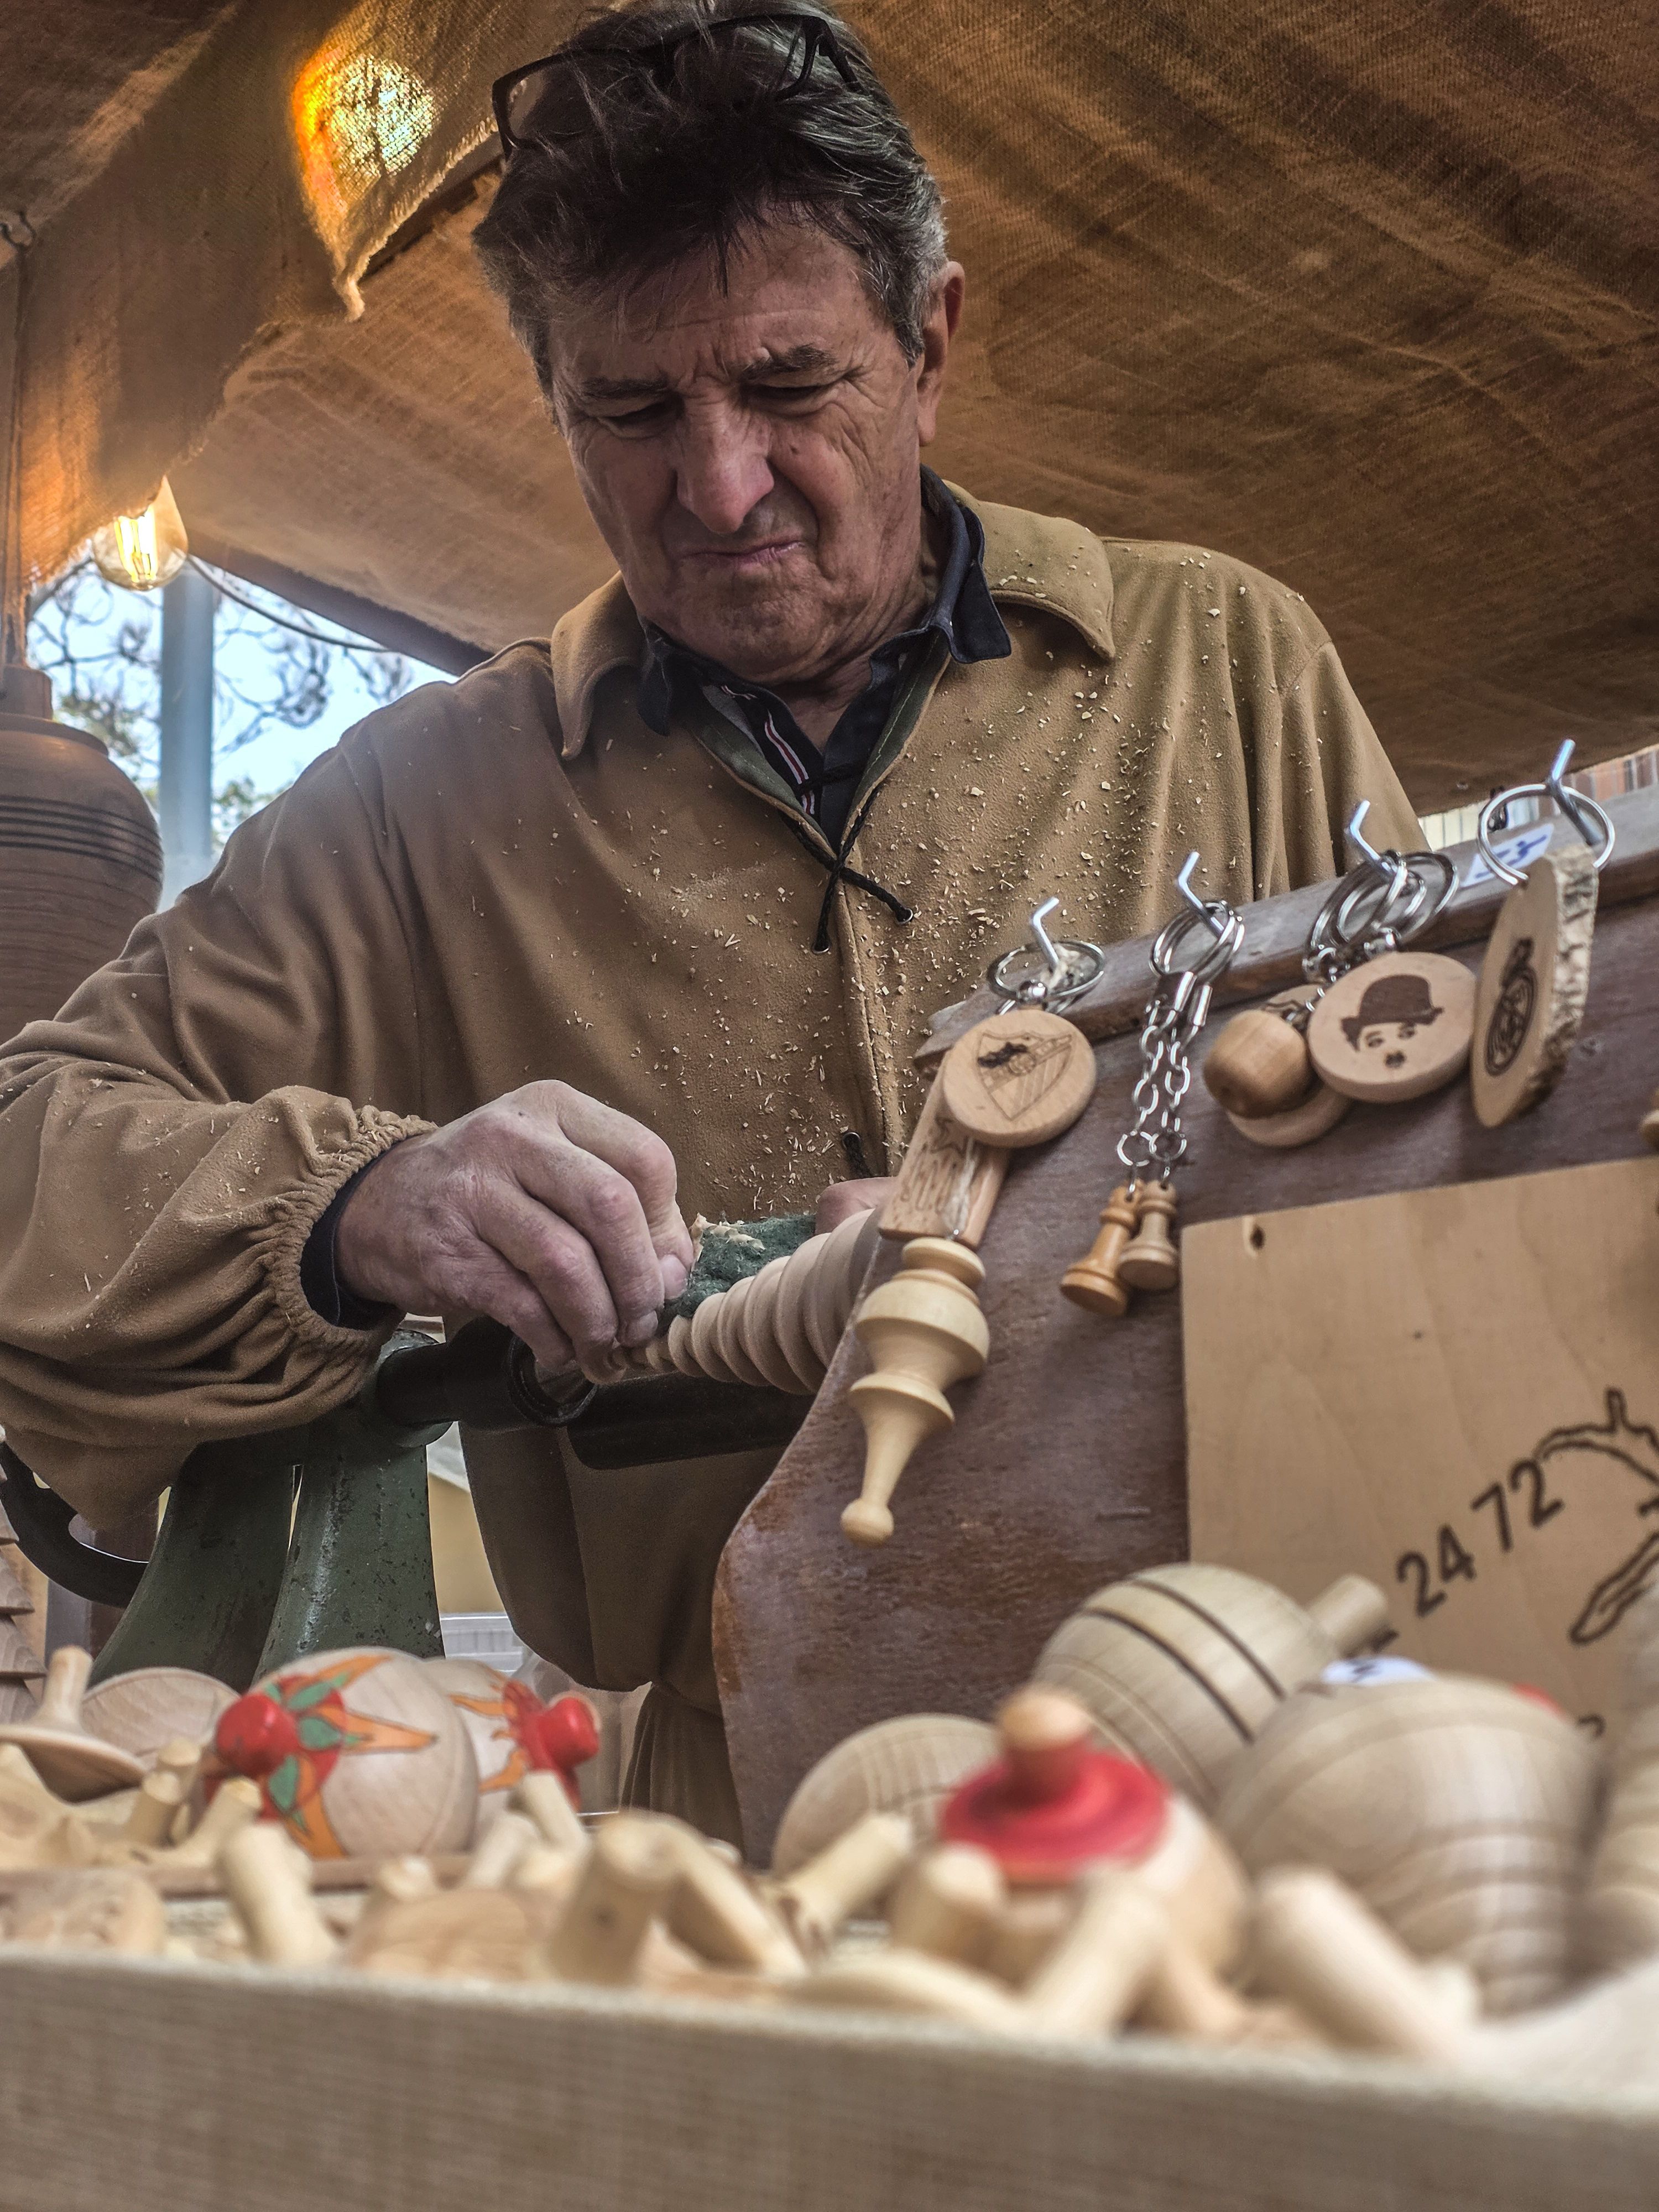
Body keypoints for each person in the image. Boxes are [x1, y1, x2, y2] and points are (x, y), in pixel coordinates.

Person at [0, 0, 1420, 1841]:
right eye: (636, 408)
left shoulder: (1221, 667)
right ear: (553, 402)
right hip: (727, 1832)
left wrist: (1032, 1228)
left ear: (932, 340)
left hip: (1249, 1774)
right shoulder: (424, 805)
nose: (721, 484)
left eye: (789, 386)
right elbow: (26, 1151)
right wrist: (358, 1209)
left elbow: (1459, 1152)